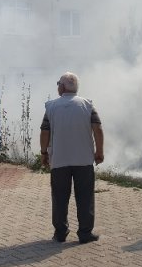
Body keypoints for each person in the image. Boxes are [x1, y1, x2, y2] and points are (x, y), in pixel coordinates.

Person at [40, 72, 104, 244]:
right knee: (85, 197)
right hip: (84, 159)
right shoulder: (87, 105)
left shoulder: (51, 106)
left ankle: (60, 233)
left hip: (59, 160)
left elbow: (45, 131)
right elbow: (97, 129)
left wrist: (44, 153)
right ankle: (85, 233)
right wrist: (99, 151)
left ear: (61, 87)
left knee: (60, 197)